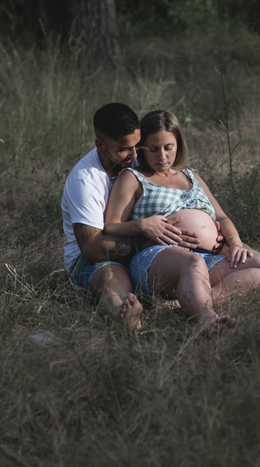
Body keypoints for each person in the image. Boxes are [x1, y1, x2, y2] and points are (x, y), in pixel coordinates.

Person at [104, 110, 260, 333]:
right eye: (153, 149)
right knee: (193, 264)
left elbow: (220, 217)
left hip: (207, 256)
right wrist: (143, 225)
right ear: (141, 148)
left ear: (178, 144)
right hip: (156, 256)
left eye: (168, 147)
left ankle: (180, 303)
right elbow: (111, 226)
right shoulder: (133, 177)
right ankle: (207, 318)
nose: (162, 156)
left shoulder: (191, 176)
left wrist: (235, 244)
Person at [61, 103, 202, 332]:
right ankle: (124, 314)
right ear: (100, 145)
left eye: (138, 145)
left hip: (146, 251)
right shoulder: (85, 181)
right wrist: (150, 237)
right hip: (95, 261)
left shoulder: (135, 158)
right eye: (125, 149)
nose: (135, 155)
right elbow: (91, 249)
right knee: (110, 275)